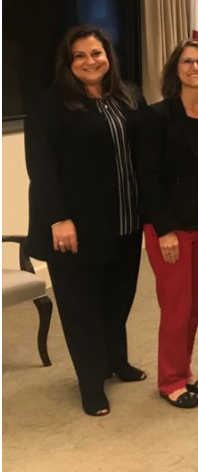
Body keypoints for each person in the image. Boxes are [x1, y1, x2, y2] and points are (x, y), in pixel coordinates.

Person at [25, 25, 147, 416]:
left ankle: (116, 361)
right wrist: (58, 218)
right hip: (75, 229)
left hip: (125, 222)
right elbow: (42, 168)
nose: (90, 61)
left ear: (108, 55)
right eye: (80, 56)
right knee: (82, 307)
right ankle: (90, 383)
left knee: (118, 298)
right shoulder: (51, 104)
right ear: (68, 63)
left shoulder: (128, 95)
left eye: (96, 53)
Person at [137, 40, 198, 409]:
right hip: (170, 229)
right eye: (187, 61)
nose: (195, 67)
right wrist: (164, 230)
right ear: (176, 70)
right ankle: (171, 380)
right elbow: (149, 178)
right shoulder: (157, 116)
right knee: (175, 307)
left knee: (195, 305)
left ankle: (185, 370)